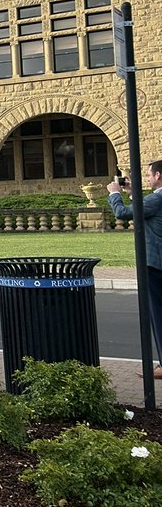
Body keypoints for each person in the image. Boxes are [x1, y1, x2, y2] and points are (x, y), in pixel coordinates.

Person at [108, 162, 162, 379]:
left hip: (155, 264)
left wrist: (115, 194)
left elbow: (123, 214)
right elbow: (144, 209)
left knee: (158, 314)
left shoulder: (157, 198)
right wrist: (132, 193)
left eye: (149, 175)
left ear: (158, 175)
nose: (148, 179)